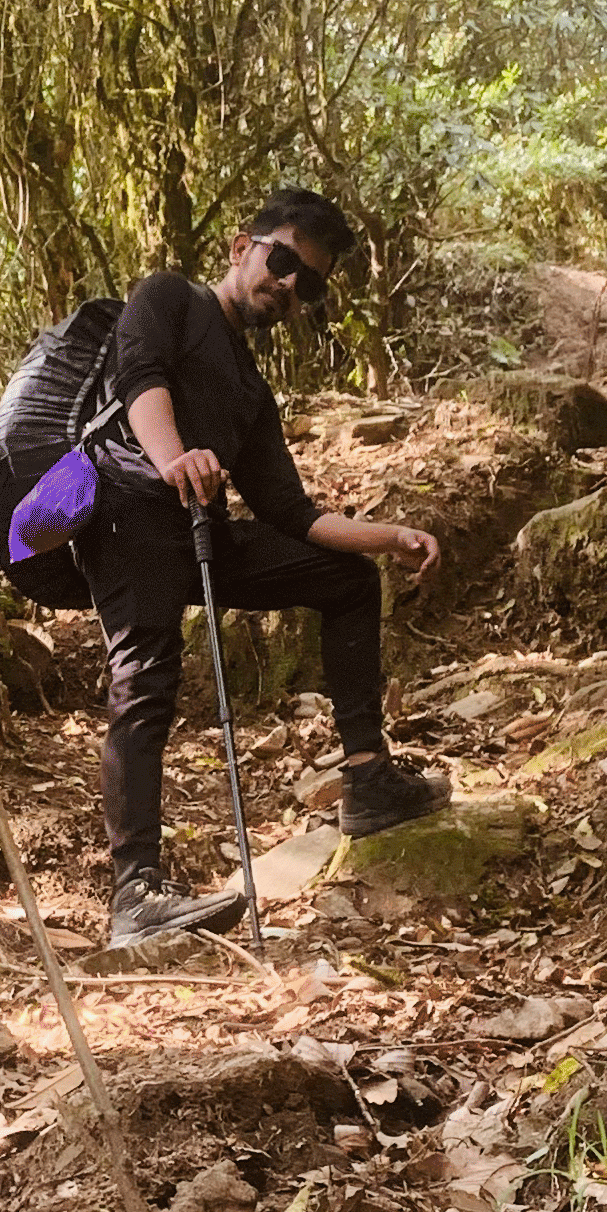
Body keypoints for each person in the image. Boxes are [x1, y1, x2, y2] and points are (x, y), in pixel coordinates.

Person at [80, 188, 446, 949]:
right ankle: (135, 893)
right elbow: (139, 380)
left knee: (343, 579)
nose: (287, 285)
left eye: (307, 282)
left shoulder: (251, 389)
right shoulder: (168, 297)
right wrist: (174, 457)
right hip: (129, 513)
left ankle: (369, 778)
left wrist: (388, 534)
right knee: (145, 672)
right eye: (282, 260)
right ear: (244, 246)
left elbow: (292, 512)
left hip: (203, 536)